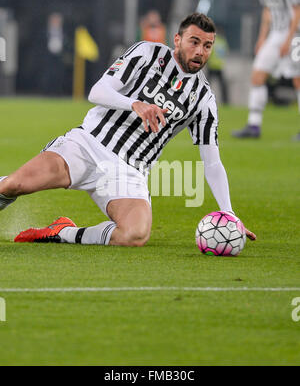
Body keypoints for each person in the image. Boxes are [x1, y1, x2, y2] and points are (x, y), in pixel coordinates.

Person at [0, 13, 256, 246]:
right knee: (14, 184)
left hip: (128, 171)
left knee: (135, 234)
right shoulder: (147, 53)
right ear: (177, 40)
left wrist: (229, 213)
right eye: (194, 42)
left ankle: (62, 232)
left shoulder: (204, 98)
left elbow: (211, 163)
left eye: (207, 46)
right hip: (88, 144)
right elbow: (97, 91)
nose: (200, 51)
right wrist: (134, 104)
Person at [232, 0, 300, 139]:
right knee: (257, 76)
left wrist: (289, 39)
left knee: (298, 80)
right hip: (275, 35)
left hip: (294, 35)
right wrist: (262, 37)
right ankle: (254, 126)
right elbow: (267, 10)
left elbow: (297, 11)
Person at [207, 26, 229, 104]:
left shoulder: (213, 41)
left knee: (207, 85)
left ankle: (204, 99)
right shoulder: (223, 41)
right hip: (218, 66)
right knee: (223, 86)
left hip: (213, 66)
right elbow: (225, 52)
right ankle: (225, 101)